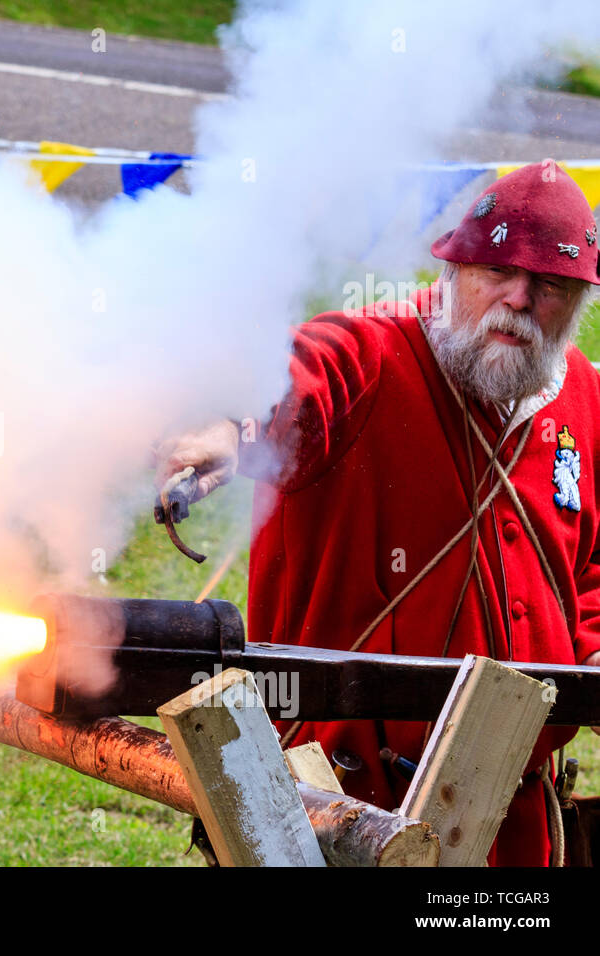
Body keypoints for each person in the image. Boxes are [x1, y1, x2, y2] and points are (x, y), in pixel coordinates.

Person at [159, 160, 600, 865]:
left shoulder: (585, 397)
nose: (518, 298)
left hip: (513, 817)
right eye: (494, 271)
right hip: (332, 801)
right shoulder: (370, 351)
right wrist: (229, 424)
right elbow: (299, 380)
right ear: (454, 271)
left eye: (548, 284)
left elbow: (590, 575)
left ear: (578, 299)